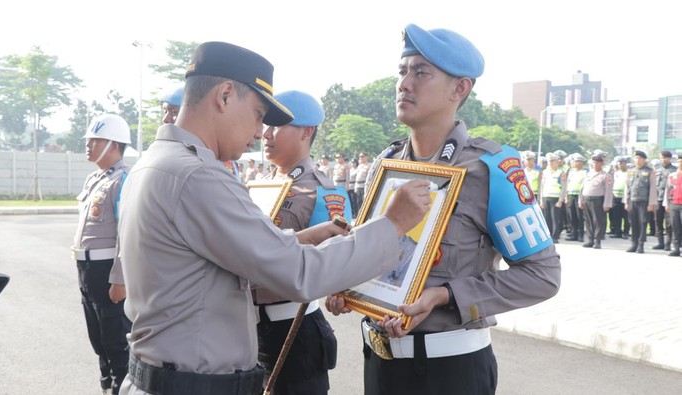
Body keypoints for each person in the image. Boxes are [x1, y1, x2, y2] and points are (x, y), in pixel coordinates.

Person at [116, 41, 431, 395]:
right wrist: (392, 225)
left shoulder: (152, 164)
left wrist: (298, 239)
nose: (258, 132)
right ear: (224, 96)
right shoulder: (198, 176)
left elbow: (206, 261)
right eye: (257, 114)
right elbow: (300, 274)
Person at [326, 24, 560, 395]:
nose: (405, 84)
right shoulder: (385, 166)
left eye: (421, 72)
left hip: (449, 371)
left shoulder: (491, 169)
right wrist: (347, 284)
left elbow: (542, 276)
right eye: (402, 72)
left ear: (460, 88)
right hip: (378, 361)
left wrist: (446, 295)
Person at [257, 90, 351, 395]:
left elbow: (341, 260)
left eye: (277, 126)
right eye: (265, 125)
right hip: (250, 329)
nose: (266, 134)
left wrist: (341, 293)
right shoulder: (262, 184)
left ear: (306, 132)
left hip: (294, 332)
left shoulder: (323, 191)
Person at [72, 114, 132, 395]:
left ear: (114, 144)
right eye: (88, 139)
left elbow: (126, 233)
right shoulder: (95, 179)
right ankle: (107, 387)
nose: (88, 144)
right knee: (97, 338)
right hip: (87, 270)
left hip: (108, 270)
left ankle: (122, 387)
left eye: (94, 139)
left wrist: (119, 278)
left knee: (116, 340)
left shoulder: (124, 181)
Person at [625, 150, 657, 253]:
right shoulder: (630, 171)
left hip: (644, 201)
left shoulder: (649, 171)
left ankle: (640, 244)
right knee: (633, 222)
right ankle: (633, 243)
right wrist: (626, 201)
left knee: (643, 222)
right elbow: (627, 187)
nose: (638, 160)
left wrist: (651, 203)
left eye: (640, 158)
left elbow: (652, 188)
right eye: (636, 158)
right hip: (632, 200)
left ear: (644, 160)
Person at [579, 154, 613, 249]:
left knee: (598, 221)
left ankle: (597, 241)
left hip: (598, 200)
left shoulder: (605, 176)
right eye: (593, 162)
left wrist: (607, 204)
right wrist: (580, 200)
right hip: (586, 199)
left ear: (601, 164)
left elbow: (608, 191)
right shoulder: (588, 174)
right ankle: (590, 240)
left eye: (597, 163)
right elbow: (582, 188)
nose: (595, 164)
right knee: (588, 221)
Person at [539, 152, 567, 243]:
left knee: (555, 218)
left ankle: (555, 236)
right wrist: (541, 200)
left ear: (557, 162)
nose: (551, 163)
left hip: (555, 198)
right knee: (547, 218)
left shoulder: (561, 173)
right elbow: (541, 187)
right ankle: (548, 235)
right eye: (549, 162)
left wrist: (560, 200)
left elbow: (563, 187)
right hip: (546, 197)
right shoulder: (545, 172)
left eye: (553, 161)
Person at [653, 151, 676, 250]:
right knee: (658, 222)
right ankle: (660, 243)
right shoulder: (656, 170)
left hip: (669, 200)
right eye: (662, 157)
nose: (663, 159)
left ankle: (667, 243)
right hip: (658, 198)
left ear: (669, 158)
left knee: (669, 223)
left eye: (666, 157)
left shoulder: (674, 170)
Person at [564, 153, 587, 242]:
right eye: (574, 161)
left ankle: (580, 234)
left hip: (579, 196)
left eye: (577, 161)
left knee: (580, 216)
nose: (575, 163)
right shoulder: (570, 172)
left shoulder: (584, 172)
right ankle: (574, 233)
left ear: (581, 162)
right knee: (572, 216)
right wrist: (566, 196)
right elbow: (567, 184)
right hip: (570, 195)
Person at [664, 157, 682, 256]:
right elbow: (668, 191)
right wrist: (666, 204)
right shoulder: (672, 176)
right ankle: (676, 248)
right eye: (679, 162)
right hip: (674, 203)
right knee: (675, 227)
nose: (680, 164)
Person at [610, 156, 630, 238]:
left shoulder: (629, 173)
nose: (620, 165)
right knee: (616, 215)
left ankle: (626, 232)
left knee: (626, 216)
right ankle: (617, 232)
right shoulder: (616, 173)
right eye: (618, 163)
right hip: (616, 196)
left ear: (625, 163)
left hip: (625, 197)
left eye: (621, 163)